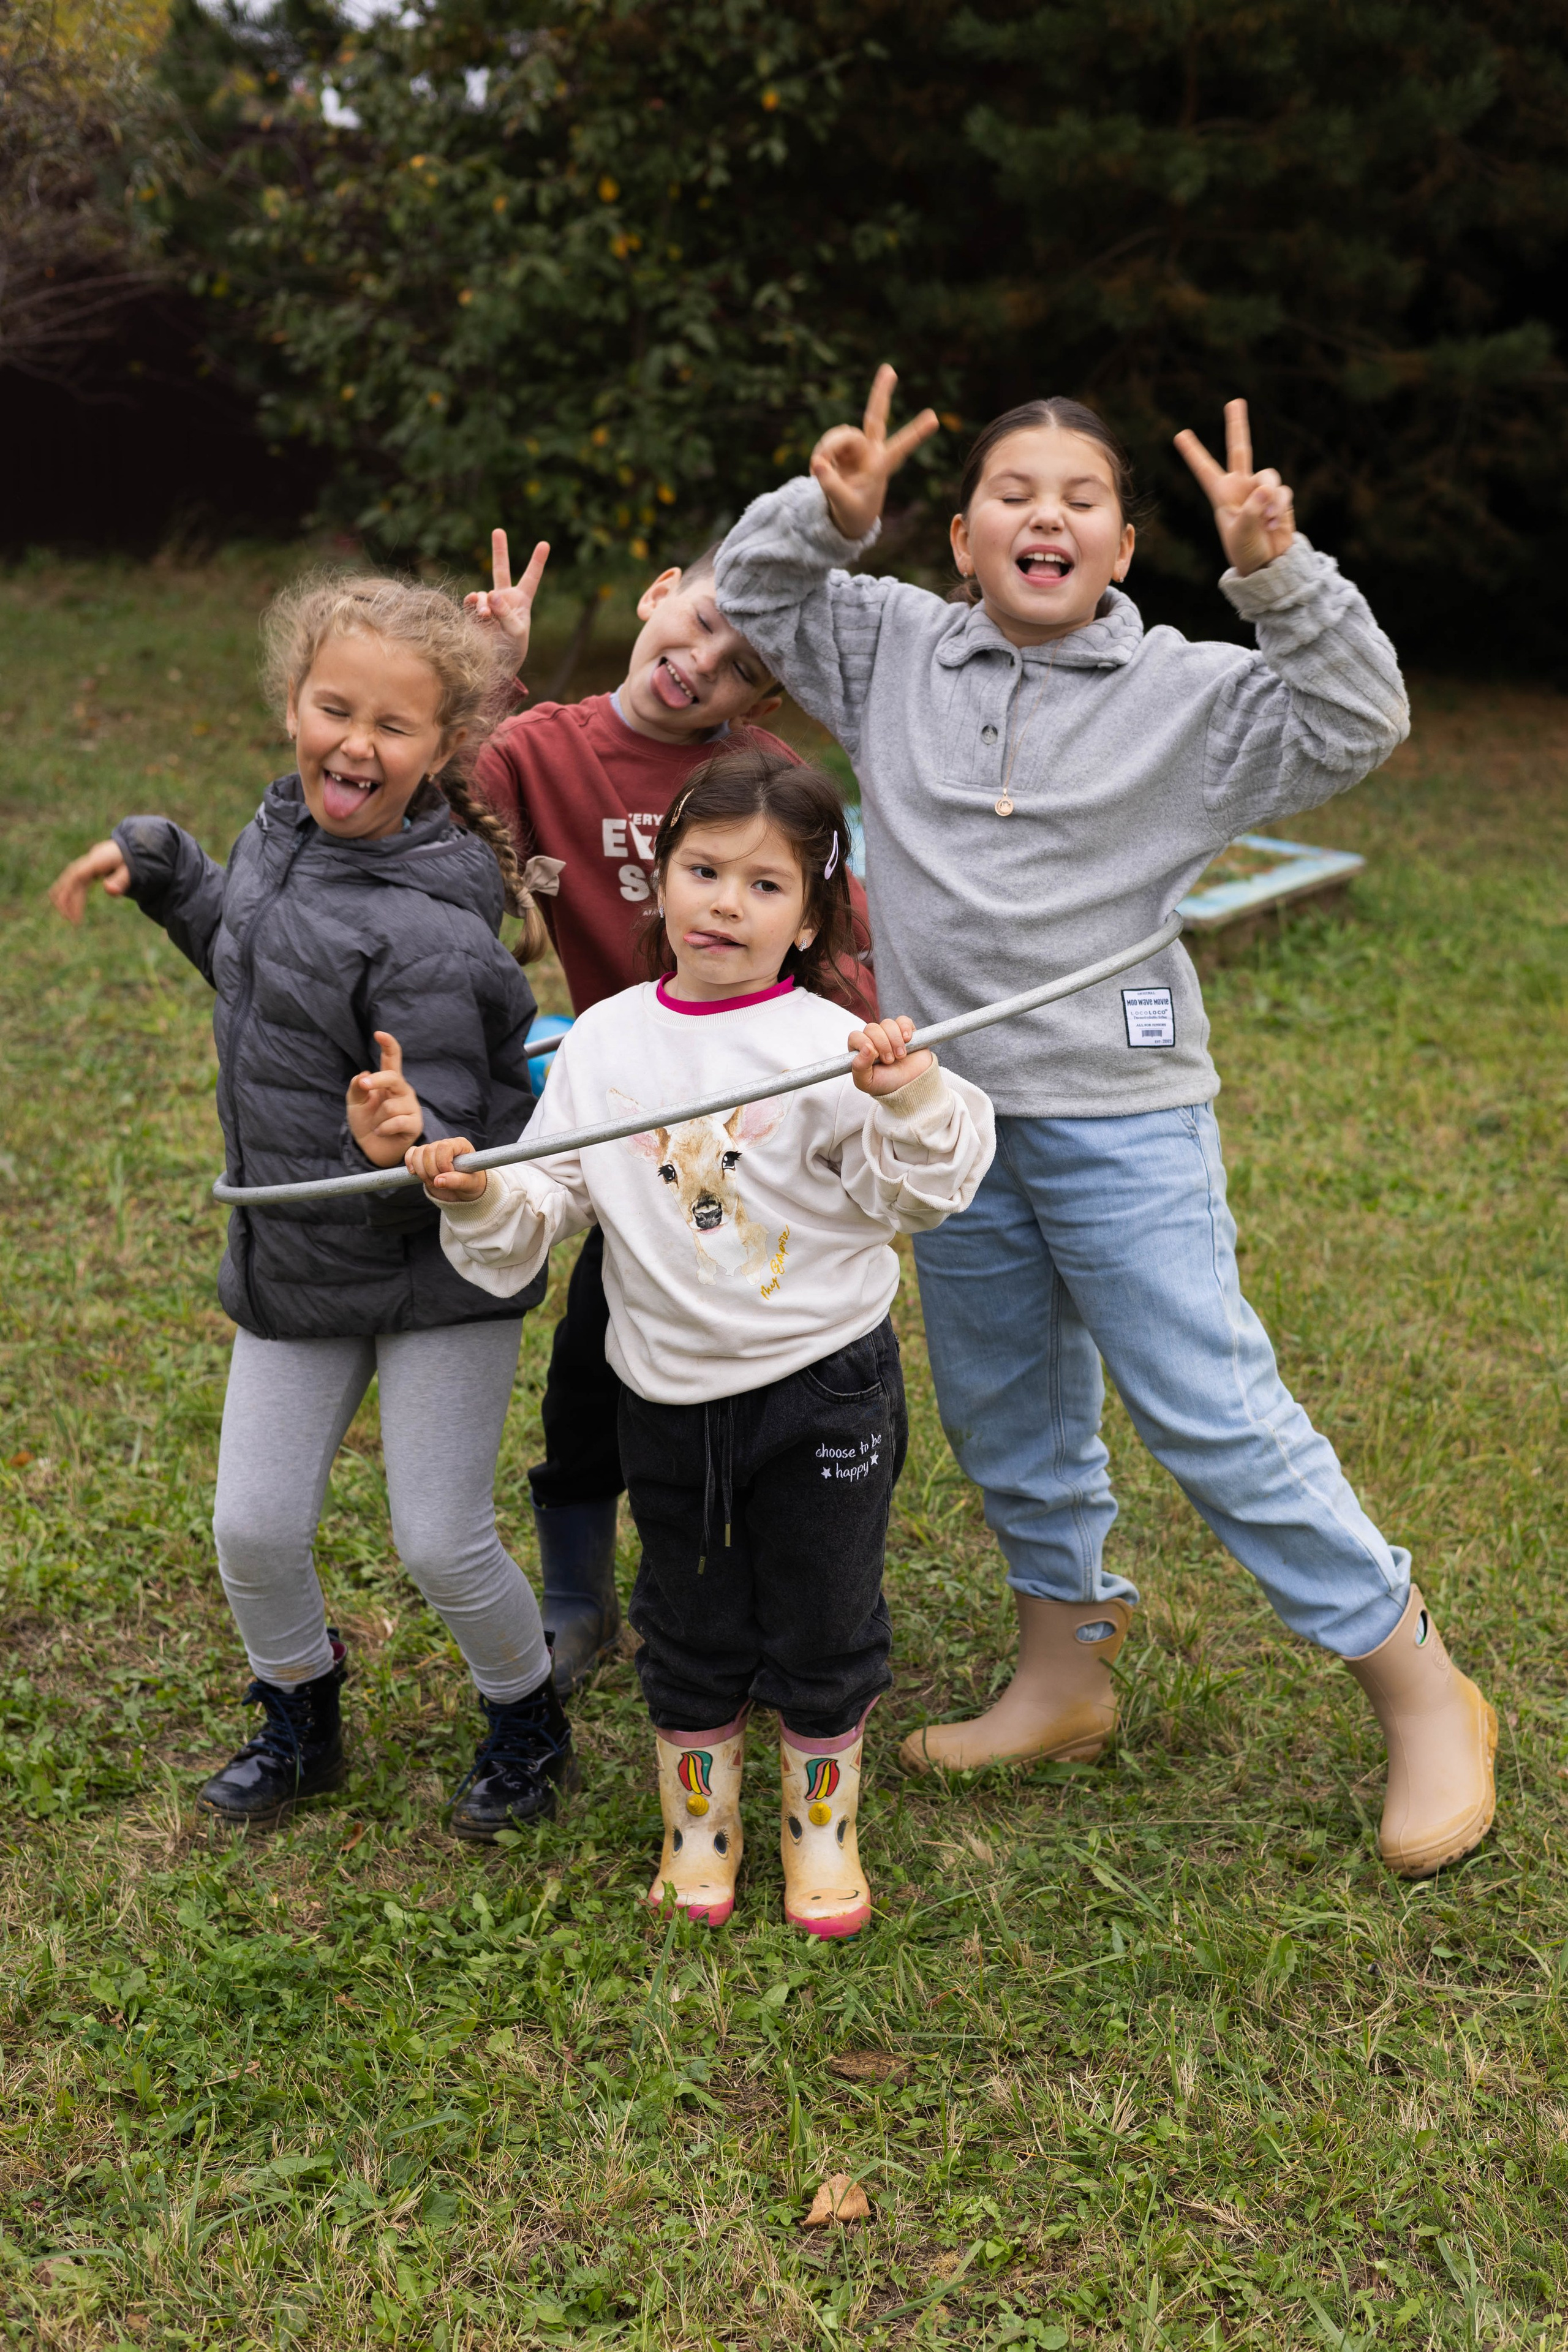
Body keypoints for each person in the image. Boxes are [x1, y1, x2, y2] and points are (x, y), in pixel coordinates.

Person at [710, 370, 1497, 1881]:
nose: (1045, 516)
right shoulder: (885, 649)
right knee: (1005, 1408)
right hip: (945, 1116)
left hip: (1122, 1116)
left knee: (1207, 1408)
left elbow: (1360, 716)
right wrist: (831, 510)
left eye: (1081, 499)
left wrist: (1277, 570)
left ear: (1125, 548)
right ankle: (1063, 1673)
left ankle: (1417, 1684)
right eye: (1014, 493)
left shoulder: (1187, 697)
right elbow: (757, 588)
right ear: (960, 534)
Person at [407, 747, 993, 1935]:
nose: (726, 902)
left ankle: (818, 1834)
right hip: (666, 1396)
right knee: (686, 1617)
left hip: (822, 1385)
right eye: (703, 869)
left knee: (825, 1617)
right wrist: (474, 1197)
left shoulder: (833, 1045)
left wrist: (911, 1098)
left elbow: (925, 1192)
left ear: (812, 913)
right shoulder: (607, 1045)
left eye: (764, 885)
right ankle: (700, 1831)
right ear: (659, 882)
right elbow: (544, 1206)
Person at [47, 566, 578, 1842]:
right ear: (294, 702)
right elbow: (259, 962)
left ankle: (526, 1716)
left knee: (441, 1540)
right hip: (302, 1249)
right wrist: (170, 869)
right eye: (335, 707)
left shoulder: (432, 932)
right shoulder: (285, 833)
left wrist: (414, 1135)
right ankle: (301, 1711)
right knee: (252, 1527)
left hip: (440, 1264)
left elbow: (451, 1118)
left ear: (441, 748)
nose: (356, 742)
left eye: (393, 727)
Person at [461, 530, 875, 1697]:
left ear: (767, 697)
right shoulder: (538, 750)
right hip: (624, 1108)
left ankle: (781, 1564)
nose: (701, 660)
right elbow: (431, 794)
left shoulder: (763, 790)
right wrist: (487, 674)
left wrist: (856, 1079)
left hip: (754, 1133)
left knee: (777, 1363)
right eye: (697, 621)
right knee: (594, 1359)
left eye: (742, 665)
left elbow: (840, 953)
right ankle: (579, 1597)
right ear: (658, 596)